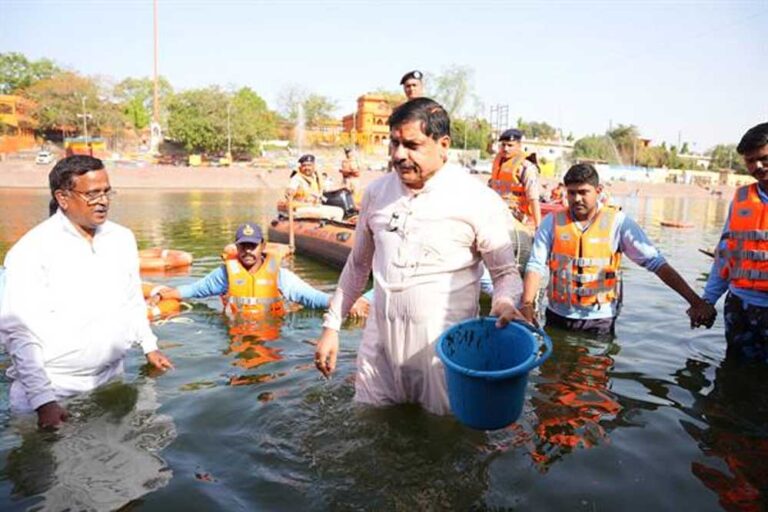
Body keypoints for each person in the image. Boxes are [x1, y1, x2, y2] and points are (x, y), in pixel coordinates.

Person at [314, 98, 526, 415]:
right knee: (369, 429)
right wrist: (331, 327)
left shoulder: (477, 199)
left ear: (444, 145)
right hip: (380, 349)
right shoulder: (377, 194)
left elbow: (506, 274)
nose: (399, 155)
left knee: (444, 440)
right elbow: (358, 265)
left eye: (412, 145)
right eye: (394, 143)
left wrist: (505, 301)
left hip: (444, 353)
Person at [0, 155, 173, 429]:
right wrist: (44, 402)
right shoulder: (31, 250)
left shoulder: (121, 239)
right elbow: (17, 332)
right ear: (63, 198)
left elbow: (131, 300)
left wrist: (149, 347)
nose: (103, 201)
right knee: (55, 470)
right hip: (55, 391)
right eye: (92, 194)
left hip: (111, 381)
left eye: (106, 192)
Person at [520, 163, 710, 335]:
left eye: (583, 192)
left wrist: (696, 301)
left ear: (598, 191)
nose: (576, 199)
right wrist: (527, 304)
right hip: (557, 315)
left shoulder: (618, 223)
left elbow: (656, 263)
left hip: (599, 319)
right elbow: (536, 264)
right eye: (571, 192)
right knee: (553, 371)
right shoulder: (551, 222)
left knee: (595, 371)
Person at [152, 222, 371, 321]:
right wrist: (163, 294)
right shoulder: (225, 274)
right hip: (236, 333)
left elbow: (313, 298)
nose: (248, 250)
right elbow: (193, 289)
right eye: (243, 245)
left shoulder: (280, 275)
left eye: (252, 245)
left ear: (263, 246)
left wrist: (348, 303)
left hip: (274, 334)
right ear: (236, 247)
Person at [693, 122, 768, 359]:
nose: (757, 166)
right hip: (738, 306)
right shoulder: (742, 198)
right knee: (734, 371)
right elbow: (725, 253)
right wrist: (707, 300)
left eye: (764, 158)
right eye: (750, 161)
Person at [489, 128, 543, 228]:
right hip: (496, 213)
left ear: (519, 145)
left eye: (510, 145)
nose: (505, 148)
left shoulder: (526, 167)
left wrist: (538, 226)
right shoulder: (498, 163)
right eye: (503, 145)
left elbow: (533, 198)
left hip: (516, 217)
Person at [286, 154, 344, 221]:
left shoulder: (314, 177)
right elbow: (291, 188)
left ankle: (333, 228)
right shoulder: (297, 178)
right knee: (325, 214)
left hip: (313, 206)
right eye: (304, 166)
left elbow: (325, 188)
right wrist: (290, 191)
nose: (307, 168)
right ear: (300, 167)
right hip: (299, 208)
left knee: (339, 211)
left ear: (314, 166)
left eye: (309, 165)